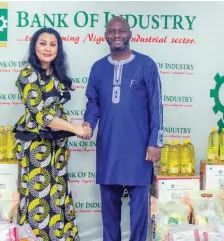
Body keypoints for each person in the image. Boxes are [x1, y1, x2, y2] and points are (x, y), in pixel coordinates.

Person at [82, 16, 164, 241]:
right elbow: (93, 103)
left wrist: (155, 142)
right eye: (112, 31)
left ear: (130, 34)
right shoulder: (98, 68)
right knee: (109, 213)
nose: (116, 35)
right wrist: (88, 125)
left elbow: (156, 105)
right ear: (106, 35)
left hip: (139, 150)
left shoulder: (146, 64)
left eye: (121, 30)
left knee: (139, 213)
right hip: (108, 147)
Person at [13, 27, 90, 241]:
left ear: (59, 48)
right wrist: (74, 129)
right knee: (40, 200)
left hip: (57, 147)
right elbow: (41, 115)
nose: (48, 48)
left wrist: (66, 142)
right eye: (43, 43)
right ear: (34, 46)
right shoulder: (27, 74)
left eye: (53, 44)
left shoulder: (55, 75)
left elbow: (58, 112)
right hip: (36, 146)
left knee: (58, 197)